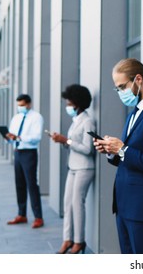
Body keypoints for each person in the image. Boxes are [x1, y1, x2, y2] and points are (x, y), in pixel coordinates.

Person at [93, 58, 143, 254]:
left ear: (138, 79)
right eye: (117, 89)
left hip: (142, 207)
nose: (120, 93)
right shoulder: (133, 114)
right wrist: (111, 151)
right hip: (123, 204)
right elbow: (129, 155)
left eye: (122, 87)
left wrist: (122, 149)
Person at [49, 84, 95, 254]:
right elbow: (71, 145)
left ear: (78, 103)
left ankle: (79, 241)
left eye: (69, 102)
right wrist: (62, 141)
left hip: (85, 168)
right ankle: (67, 239)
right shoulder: (75, 121)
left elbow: (88, 149)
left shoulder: (88, 121)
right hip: (73, 166)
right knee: (67, 204)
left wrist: (66, 141)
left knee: (77, 204)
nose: (67, 105)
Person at [6, 94, 45, 228]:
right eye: (18, 105)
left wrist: (20, 137)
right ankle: (21, 214)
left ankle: (38, 217)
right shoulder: (16, 118)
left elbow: (36, 137)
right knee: (20, 184)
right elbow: (12, 134)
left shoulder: (36, 117)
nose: (20, 107)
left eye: (22, 105)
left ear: (29, 104)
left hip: (29, 153)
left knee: (31, 184)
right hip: (18, 152)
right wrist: (10, 138)